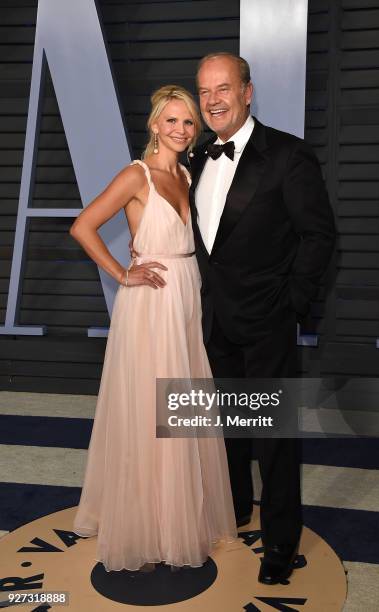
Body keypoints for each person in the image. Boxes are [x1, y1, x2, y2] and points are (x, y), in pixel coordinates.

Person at [70, 84, 237, 572]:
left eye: (189, 122)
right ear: (154, 125)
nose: (182, 130)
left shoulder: (187, 174)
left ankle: (179, 514)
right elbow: (83, 226)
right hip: (150, 305)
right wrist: (123, 273)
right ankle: (148, 524)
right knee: (149, 409)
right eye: (172, 121)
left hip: (185, 299)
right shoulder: (136, 174)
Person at [189, 52, 336, 584]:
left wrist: (291, 304)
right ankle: (236, 510)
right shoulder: (199, 155)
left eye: (223, 89)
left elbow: (319, 236)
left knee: (274, 439)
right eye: (205, 91)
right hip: (214, 320)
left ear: (247, 92)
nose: (213, 101)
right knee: (229, 427)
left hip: (268, 320)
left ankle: (280, 541)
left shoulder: (288, 156)